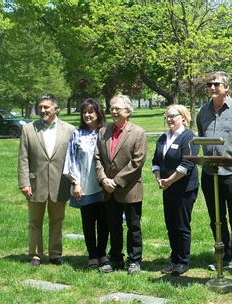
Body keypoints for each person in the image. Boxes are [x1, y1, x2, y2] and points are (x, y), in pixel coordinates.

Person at [196, 71, 232, 279]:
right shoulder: (203, 112)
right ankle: (224, 255)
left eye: (216, 84)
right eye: (209, 84)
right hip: (210, 173)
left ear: (226, 87)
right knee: (216, 218)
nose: (212, 87)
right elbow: (202, 135)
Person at [18, 93, 74, 266]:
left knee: (57, 220)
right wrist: (24, 182)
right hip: (35, 184)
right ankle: (34, 254)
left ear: (55, 109)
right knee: (35, 221)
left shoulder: (70, 130)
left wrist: (74, 182)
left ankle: (55, 254)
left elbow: (73, 158)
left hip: (60, 184)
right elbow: (23, 158)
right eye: (40, 107)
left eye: (46, 107)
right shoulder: (29, 129)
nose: (42, 110)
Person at [94, 94, 147, 274]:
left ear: (128, 111)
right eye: (111, 108)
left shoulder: (138, 133)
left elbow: (137, 162)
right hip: (108, 189)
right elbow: (97, 158)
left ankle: (135, 260)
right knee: (113, 225)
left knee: (133, 226)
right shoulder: (103, 132)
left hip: (129, 188)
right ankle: (115, 258)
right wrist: (103, 179)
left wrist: (115, 182)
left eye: (117, 108)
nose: (113, 111)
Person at [152, 105, 199, 276]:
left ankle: (183, 261)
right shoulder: (164, 137)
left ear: (183, 117)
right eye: (167, 117)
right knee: (171, 225)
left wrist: (170, 181)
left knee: (181, 225)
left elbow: (187, 164)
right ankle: (174, 260)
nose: (170, 119)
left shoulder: (189, 138)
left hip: (184, 189)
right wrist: (159, 179)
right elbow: (156, 160)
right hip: (167, 187)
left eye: (173, 116)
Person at [63, 99, 109, 269]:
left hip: (103, 184)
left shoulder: (105, 132)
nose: (88, 115)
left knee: (104, 222)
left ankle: (102, 253)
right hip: (84, 185)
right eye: (85, 112)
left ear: (98, 113)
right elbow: (71, 159)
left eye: (91, 111)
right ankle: (92, 255)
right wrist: (75, 183)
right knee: (88, 222)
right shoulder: (77, 134)